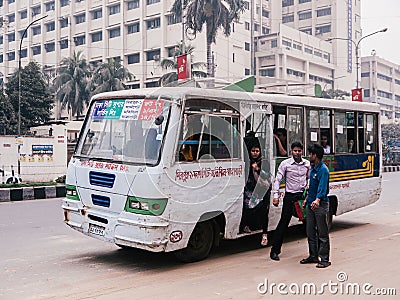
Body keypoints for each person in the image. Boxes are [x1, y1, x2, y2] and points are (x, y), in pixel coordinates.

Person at [270, 141, 310, 261]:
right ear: (291, 151)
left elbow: (309, 178)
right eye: (295, 151)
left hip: (302, 198)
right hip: (290, 197)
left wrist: (307, 186)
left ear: (302, 151)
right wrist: (275, 195)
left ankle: (314, 252)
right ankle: (275, 251)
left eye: (299, 151)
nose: (297, 153)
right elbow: (277, 180)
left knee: (309, 224)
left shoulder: (307, 164)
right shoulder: (285, 164)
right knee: (283, 224)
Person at [300, 144, 331, 268]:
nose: (309, 157)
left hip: (320, 204)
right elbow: (311, 187)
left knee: (322, 233)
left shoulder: (323, 170)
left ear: (315, 156)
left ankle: (324, 259)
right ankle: (313, 255)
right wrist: (307, 199)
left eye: (311, 154)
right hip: (311, 203)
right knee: (310, 231)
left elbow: (323, 188)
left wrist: (317, 200)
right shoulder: (312, 168)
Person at [240, 144, 271, 247]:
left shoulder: (264, 161)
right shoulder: (247, 162)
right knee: (247, 207)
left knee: (264, 212)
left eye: (257, 151)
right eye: (253, 151)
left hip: (263, 190)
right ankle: (247, 226)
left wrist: (257, 169)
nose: (255, 153)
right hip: (251, 190)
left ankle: (265, 235)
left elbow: (267, 175)